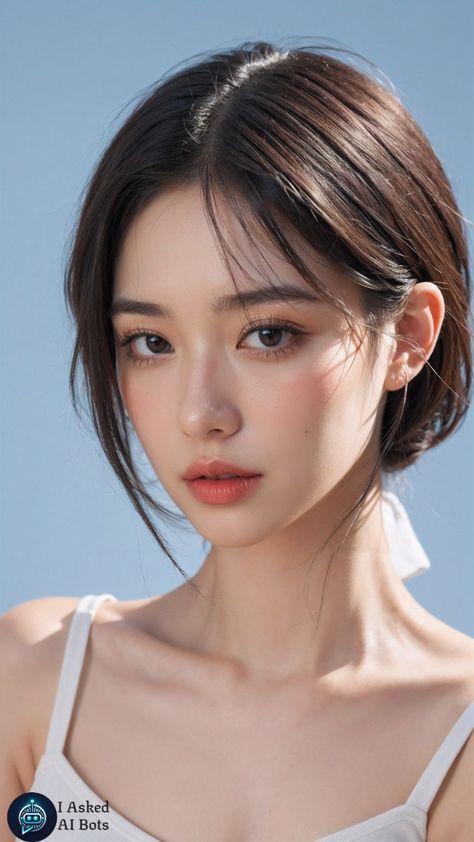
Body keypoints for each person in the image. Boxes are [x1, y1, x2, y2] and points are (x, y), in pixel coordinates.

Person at [1, 39, 473, 842]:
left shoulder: (456, 738)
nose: (201, 413)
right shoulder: (35, 684)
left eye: (267, 333)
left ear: (408, 337)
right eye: (150, 342)